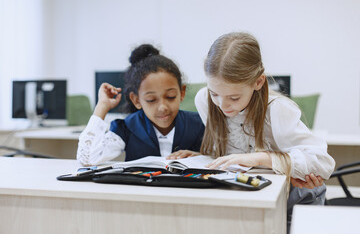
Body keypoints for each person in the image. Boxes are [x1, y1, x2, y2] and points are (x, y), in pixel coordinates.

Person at [167, 32, 335, 232]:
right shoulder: (204, 100)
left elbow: (323, 163)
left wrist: (260, 158)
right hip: (250, 197)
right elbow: (234, 154)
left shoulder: (277, 108)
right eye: (215, 94)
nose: (223, 105)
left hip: (297, 200)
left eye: (234, 97)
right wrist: (203, 157)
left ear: (258, 82)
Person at [77, 44, 204, 165]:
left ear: (182, 93)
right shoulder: (127, 128)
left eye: (170, 97)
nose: (163, 107)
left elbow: (221, 158)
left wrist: (200, 157)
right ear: (136, 100)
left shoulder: (200, 123)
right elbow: (87, 159)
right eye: (151, 100)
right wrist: (102, 106)